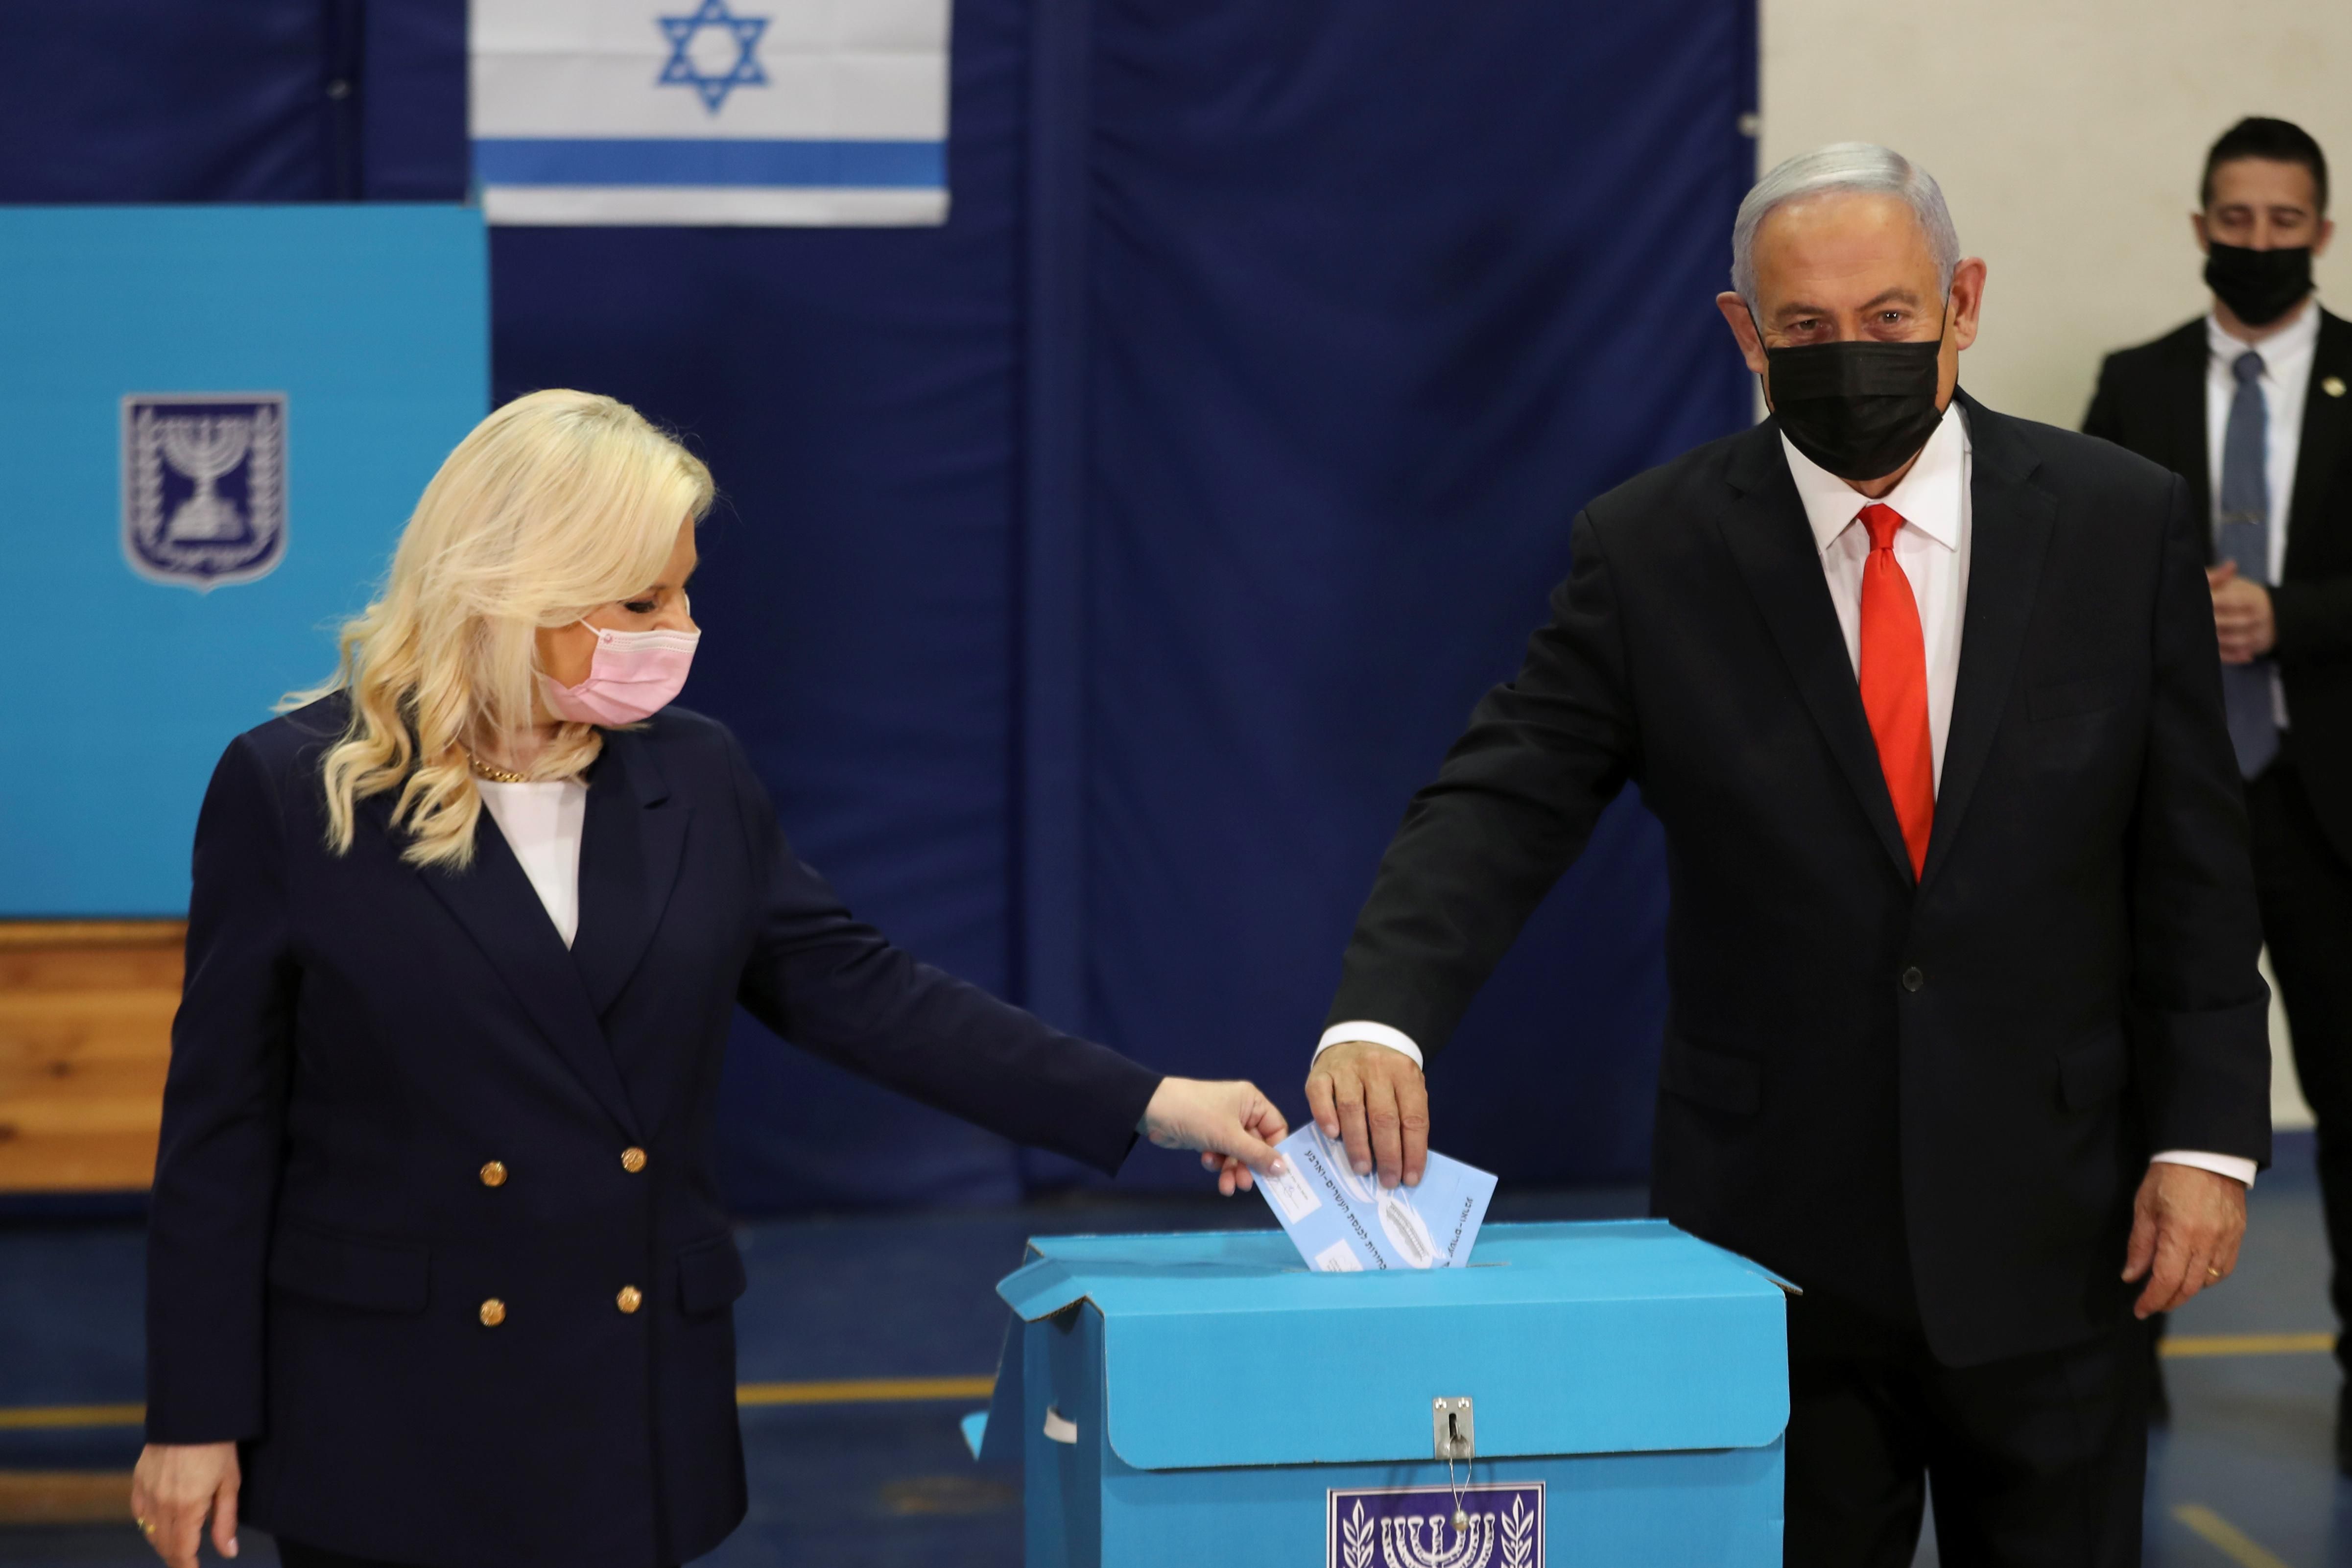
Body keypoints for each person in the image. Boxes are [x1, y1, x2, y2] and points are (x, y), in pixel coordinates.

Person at [129, 390, 1291, 1568]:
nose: (678, 626)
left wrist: (1149, 1098)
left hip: (625, 1400)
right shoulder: (292, 789)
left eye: (682, 589)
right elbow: (221, 1129)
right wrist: (192, 1414)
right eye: (641, 600)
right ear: (514, 587)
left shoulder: (698, 775)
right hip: (389, 1406)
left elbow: (871, 995)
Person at [1305, 145, 2270, 1564]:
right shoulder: (1652, 550)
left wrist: (2207, 1140)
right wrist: (1383, 1010)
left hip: (2061, 1227)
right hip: (1767, 1241)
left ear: (1963, 302)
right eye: (1804, 329)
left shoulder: (2117, 522)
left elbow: (2191, 855)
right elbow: (1503, 800)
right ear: (1741, 331)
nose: (1849, 355)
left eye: (1887, 318)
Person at [2083, 116, 2351, 1459]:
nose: (2255, 244)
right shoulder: (2129, 384)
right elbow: (2069, 577)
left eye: (2281, 222)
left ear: (2320, 229)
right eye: (2232, 221)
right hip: (2171, 801)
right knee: (2144, 1087)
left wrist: (2286, 617)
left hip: (2325, 801)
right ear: (2199, 226)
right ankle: (2125, 1370)